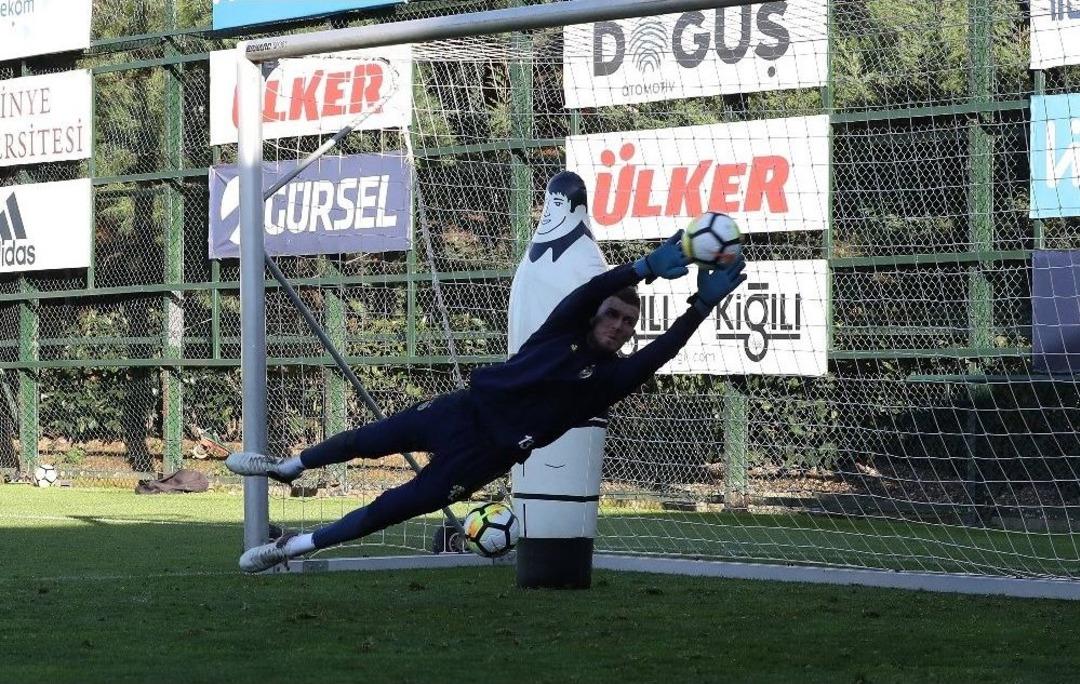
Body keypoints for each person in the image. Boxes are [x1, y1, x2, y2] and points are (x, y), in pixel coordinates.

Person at [227, 232, 747, 572]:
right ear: (594, 316)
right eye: (612, 316)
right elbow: (596, 287)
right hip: (462, 410)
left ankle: (290, 549)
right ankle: (285, 466)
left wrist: (700, 306)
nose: (618, 327)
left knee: (392, 509)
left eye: (628, 323)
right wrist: (651, 264)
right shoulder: (561, 327)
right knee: (368, 439)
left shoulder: (608, 379)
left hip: (486, 455)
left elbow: (664, 349)